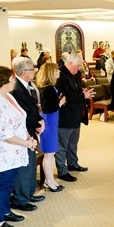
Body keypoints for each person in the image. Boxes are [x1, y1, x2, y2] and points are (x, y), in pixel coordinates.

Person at [0, 66, 36, 227]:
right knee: (1, 186)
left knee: (8, 185)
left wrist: (28, 137)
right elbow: (2, 133)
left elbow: (20, 117)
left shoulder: (7, 95)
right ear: (5, 81)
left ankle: (5, 211)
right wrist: (26, 143)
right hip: (3, 152)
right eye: (12, 78)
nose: (14, 81)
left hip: (15, 150)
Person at [10, 57, 45, 212]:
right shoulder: (16, 88)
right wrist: (37, 123)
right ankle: (21, 199)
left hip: (30, 131)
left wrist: (39, 120)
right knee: (25, 167)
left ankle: (29, 193)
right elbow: (22, 113)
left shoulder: (25, 85)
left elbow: (32, 109)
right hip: (23, 134)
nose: (35, 71)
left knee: (30, 165)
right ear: (24, 72)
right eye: (32, 69)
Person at [55, 53, 94, 182]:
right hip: (65, 116)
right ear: (70, 62)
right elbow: (67, 96)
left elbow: (78, 90)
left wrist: (84, 92)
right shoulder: (60, 76)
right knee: (62, 146)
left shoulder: (75, 73)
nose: (78, 69)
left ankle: (73, 163)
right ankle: (62, 170)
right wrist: (83, 96)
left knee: (73, 143)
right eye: (77, 66)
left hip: (76, 114)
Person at [36, 63, 66, 192]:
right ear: (50, 73)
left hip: (52, 121)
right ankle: (48, 182)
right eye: (56, 70)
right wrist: (59, 103)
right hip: (48, 122)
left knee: (51, 153)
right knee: (49, 153)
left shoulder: (50, 87)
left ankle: (50, 180)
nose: (59, 71)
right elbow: (48, 108)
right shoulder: (48, 89)